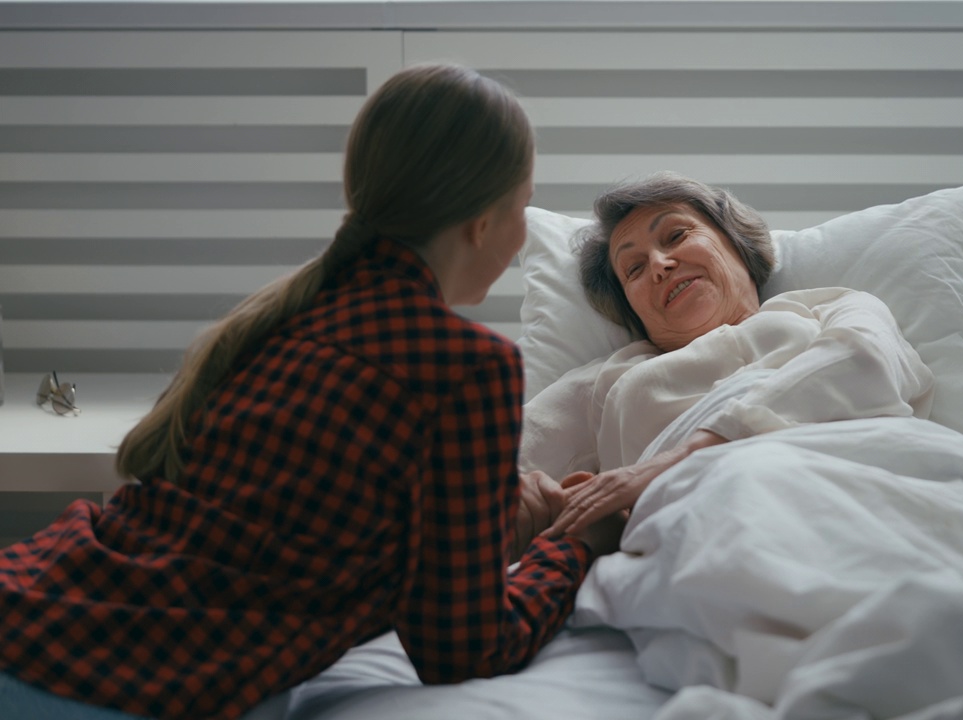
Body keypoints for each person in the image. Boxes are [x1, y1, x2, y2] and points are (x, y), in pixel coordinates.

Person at [0, 63, 622, 720]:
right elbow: (465, 650)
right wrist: (577, 544)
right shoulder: (469, 367)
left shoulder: (285, 318)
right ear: (483, 223)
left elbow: (299, 525)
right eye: (522, 208)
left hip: (35, 603)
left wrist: (494, 520)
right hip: (104, 688)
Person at [535, 171, 936, 538]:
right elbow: (503, 468)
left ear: (737, 244)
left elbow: (867, 363)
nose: (659, 264)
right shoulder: (611, 378)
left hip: (861, 499)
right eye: (634, 269)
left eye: (676, 236)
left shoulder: (830, 308)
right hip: (693, 537)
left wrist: (677, 459)